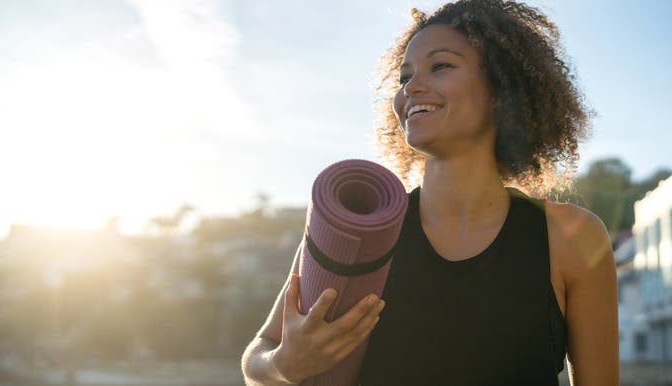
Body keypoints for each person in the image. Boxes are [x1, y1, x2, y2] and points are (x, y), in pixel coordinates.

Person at [241, 0, 619, 385]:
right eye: (405, 77)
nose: (412, 88)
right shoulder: (360, 229)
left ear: (502, 89)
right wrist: (284, 365)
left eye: (441, 66)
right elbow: (260, 353)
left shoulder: (572, 238)